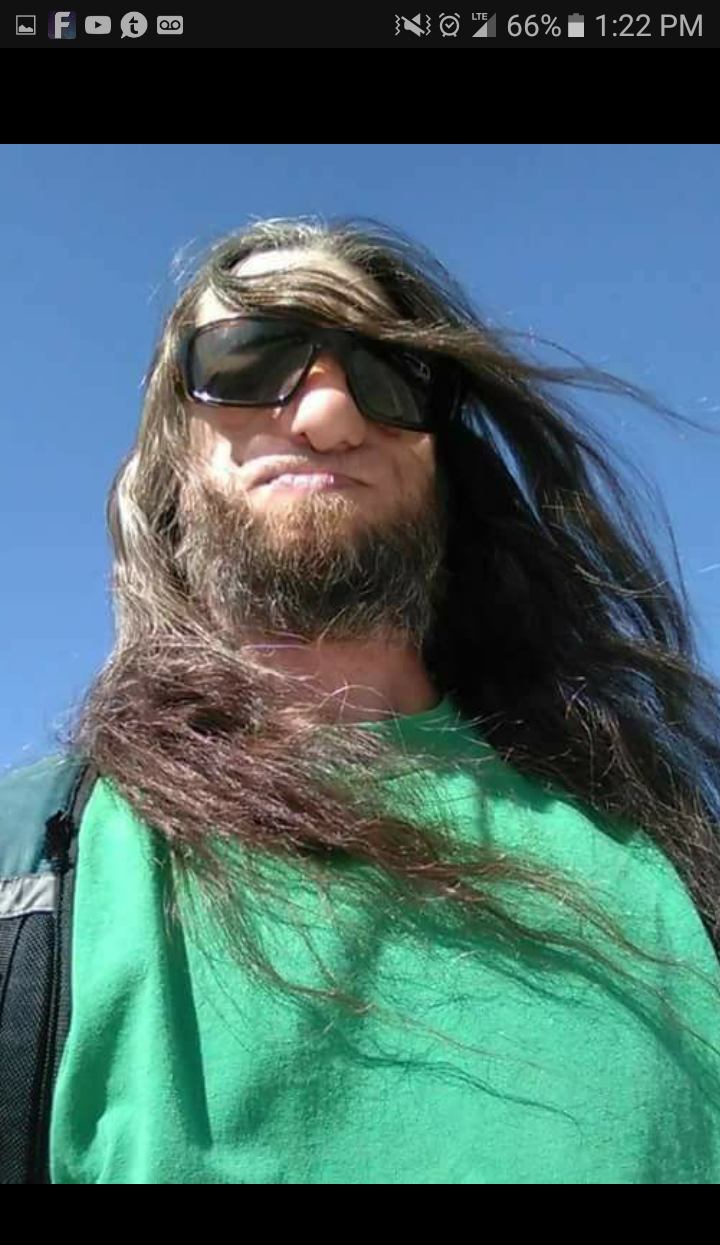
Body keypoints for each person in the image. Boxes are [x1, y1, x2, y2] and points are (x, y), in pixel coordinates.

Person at [30, 217, 720, 1182]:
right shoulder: (35, 874)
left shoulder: (667, 864)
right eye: (248, 358)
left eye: (389, 374)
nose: (327, 414)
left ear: (440, 463)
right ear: (172, 448)